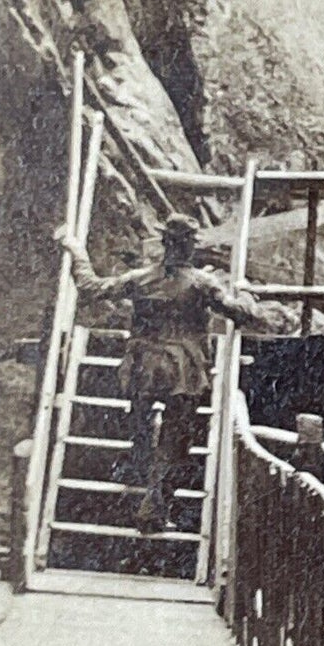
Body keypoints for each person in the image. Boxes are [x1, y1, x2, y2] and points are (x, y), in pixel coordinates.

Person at [57, 213, 265, 532]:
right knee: (176, 441)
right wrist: (247, 292)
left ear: (165, 244)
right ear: (190, 248)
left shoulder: (141, 278)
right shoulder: (202, 283)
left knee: (140, 428)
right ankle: (154, 504)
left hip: (143, 366)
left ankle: (142, 466)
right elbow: (241, 314)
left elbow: (90, 287)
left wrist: (76, 251)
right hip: (183, 371)